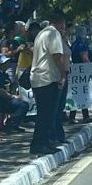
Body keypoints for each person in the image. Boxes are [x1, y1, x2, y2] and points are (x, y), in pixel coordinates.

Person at [28, 10, 67, 155]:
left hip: (39, 77)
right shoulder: (53, 34)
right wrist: (63, 74)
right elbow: (58, 56)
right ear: (60, 22)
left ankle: (44, 142)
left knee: (45, 113)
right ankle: (38, 143)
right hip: (47, 78)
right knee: (47, 114)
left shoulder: (42, 33)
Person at [0, 53, 29, 132]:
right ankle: (11, 125)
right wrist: (12, 96)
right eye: (4, 63)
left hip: (5, 100)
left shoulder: (4, 74)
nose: (7, 64)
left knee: (23, 102)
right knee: (23, 105)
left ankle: (14, 124)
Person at [68, 25, 92, 123]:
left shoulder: (74, 44)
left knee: (77, 94)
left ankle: (72, 116)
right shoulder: (82, 45)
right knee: (83, 93)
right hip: (83, 72)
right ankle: (85, 116)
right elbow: (85, 58)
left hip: (76, 72)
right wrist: (91, 68)